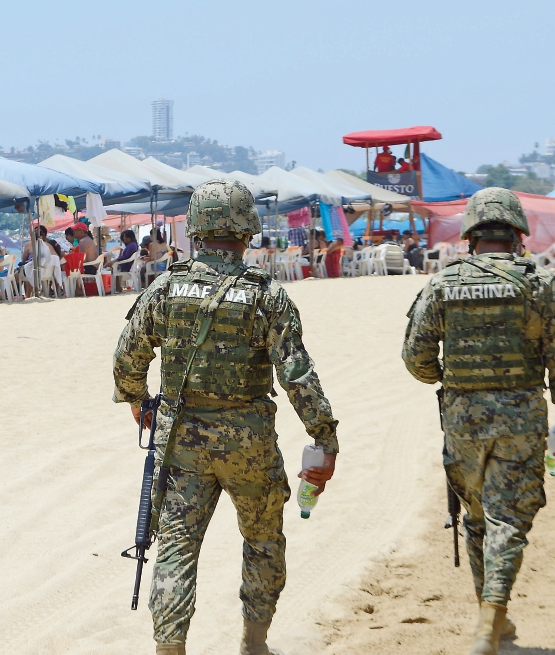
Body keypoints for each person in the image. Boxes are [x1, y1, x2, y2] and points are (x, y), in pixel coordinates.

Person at [113, 180, 340, 655]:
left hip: (182, 443)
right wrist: (323, 438)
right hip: (249, 444)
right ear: (247, 230)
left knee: (176, 548)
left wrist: (137, 399)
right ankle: (254, 645)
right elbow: (297, 374)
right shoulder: (266, 296)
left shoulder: (166, 287)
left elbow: (127, 357)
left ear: (197, 227)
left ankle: (169, 648)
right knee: (262, 540)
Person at [402, 187, 555, 655]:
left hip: (462, 417)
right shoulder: (541, 285)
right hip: (521, 416)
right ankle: (491, 619)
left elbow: (415, 356)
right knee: (510, 518)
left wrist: (449, 380)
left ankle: (494, 623)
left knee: (478, 517)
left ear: (471, 236)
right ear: (518, 234)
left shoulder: (443, 284)